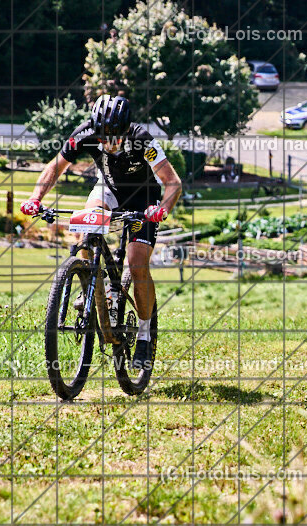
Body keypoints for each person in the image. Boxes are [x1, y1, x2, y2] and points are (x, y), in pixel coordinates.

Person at [21, 94, 182, 369]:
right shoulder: (84, 134)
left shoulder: (142, 140)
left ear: (126, 129)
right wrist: (36, 198)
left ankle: (145, 334)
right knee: (85, 228)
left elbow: (173, 182)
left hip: (143, 198)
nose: (108, 143)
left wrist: (163, 209)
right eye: (102, 136)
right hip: (108, 189)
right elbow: (55, 167)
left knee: (137, 262)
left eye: (114, 137)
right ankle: (89, 285)